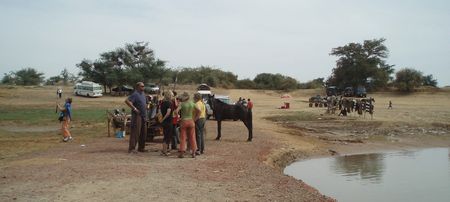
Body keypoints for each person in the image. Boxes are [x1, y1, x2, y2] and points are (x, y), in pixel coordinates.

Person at [175, 92, 200, 158]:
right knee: (192, 137)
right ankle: (193, 152)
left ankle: (182, 153)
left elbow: (176, 111)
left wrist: (178, 117)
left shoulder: (182, 104)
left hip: (184, 121)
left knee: (183, 137)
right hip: (191, 121)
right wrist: (195, 119)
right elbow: (199, 111)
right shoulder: (192, 103)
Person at [125, 82, 148, 153]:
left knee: (143, 132)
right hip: (137, 115)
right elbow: (127, 101)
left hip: (143, 115)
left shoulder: (143, 94)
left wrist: (147, 106)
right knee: (135, 132)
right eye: (142, 86)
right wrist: (134, 109)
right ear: (137, 87)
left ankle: (141, 148)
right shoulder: (135, 94)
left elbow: (145, 102)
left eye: (144, 86)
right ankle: (132, 148)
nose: (143, 88)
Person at [160, 91, 174, 156]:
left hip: (164, 122)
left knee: (165, 136)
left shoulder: (162, 103)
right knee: (167, 137)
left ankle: (164, 150)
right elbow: (168, 113)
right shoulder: (169, 103)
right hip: (168, 121)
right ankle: (165, 151)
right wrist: (163, 119)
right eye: (172, 95)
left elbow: (160, 112)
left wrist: (162, 119)